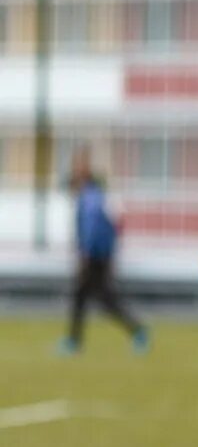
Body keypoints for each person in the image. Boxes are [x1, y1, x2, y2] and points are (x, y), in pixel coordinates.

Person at [58, 146, 148, 355]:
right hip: (100, 254)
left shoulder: (90, 195)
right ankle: (75, 340)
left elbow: (91, 226)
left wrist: (86, 253)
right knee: (89, 297)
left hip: (95, 256)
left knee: (98, 298)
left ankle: (136, 331)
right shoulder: (95, 193)